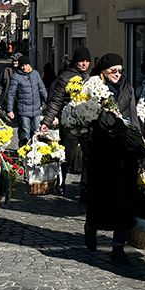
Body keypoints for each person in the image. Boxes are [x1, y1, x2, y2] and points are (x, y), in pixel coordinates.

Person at [81, 54, 144, 263]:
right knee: (100, 197)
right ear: (103, 72)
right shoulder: (93, 88)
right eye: (112, 71)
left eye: (119, 70)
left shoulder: (128, 88)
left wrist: (138, 144)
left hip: (124, 152)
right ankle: (91, 227)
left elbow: (133, 116)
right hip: (102, 151)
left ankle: (118, 246)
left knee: (125, 200)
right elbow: (87, 116)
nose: (117, 74)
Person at [43, 46, 93, 188]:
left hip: (86, 123)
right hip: (69, 123)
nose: (84, 64)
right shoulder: (65, 77)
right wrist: (47, 120)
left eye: (87, 61)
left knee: (88, 157)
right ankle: (61, 182)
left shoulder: (90, 78)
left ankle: (85, 188)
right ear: (75, 62)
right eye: (81, 61)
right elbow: (56, 101)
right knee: (67, 156)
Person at [7, 57, 47, 145]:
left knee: (37, 132)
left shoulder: (35, 74)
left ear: (29, 65)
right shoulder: (16, 77)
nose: (24, 67)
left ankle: (35, 152)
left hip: (36, 109)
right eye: (22, 65)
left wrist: (49, 103)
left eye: (26, 65)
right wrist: (10, 110)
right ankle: (24, 151)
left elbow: (42, 89)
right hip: (23, 110)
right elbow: (11, 94)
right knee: (26, 132)